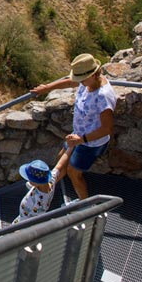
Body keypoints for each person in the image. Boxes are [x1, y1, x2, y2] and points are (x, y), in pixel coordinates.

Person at [31, 53, 116, 200]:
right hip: (77, 135)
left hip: (90, 142)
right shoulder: (89, 82)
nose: (79, 82)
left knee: (73, 173)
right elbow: (70, 82)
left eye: (81, 79)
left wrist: (81, 140)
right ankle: (45, 191)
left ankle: (85, 205)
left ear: (94, 74)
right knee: (60, 159)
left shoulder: (103, 96)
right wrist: (47, 88)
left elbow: (107, 129)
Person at [13, 156, 67, 223]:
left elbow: (36, 221)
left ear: (37, 182)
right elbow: (60, 165)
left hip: (24, 222)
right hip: (24, 214)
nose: (28, 179)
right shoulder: (51, 180)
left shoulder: (40, 203)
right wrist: (70, 148)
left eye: (30, 179)